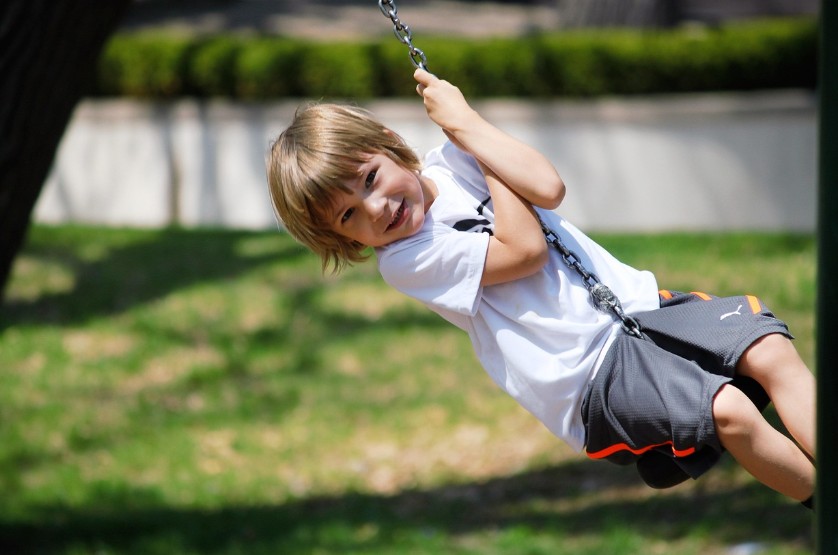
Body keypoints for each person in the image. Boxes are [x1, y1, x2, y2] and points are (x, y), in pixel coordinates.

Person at [267, 68, 816, 508]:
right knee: (728, 412)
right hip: (587, 375)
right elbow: (524, 252)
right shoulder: (407, 259)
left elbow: (548, 187)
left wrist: (466, 124)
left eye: (370, 179)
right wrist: (479, 147)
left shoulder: (456, 157)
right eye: (349, 215)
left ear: (388, 143)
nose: (377, 208)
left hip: (641, 310)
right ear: (341, 238)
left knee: (768, 348)